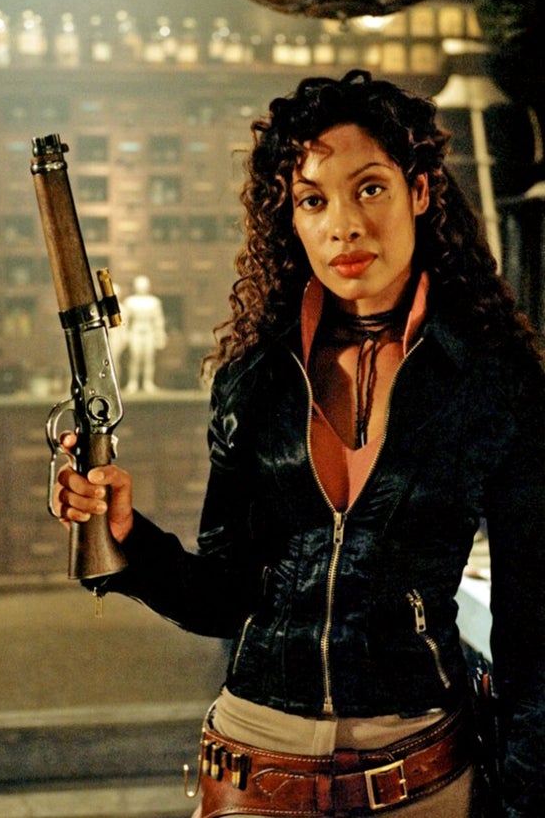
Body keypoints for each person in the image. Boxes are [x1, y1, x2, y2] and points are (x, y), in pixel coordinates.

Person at [54, 70, 545, 817]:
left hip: (423, 777)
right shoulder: (254, 379)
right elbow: (225, 596)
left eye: (369, 188)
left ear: (419, 191)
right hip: (255, 770)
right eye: (314, 200)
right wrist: (129, 535)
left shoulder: (493, 380)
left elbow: (534, 631)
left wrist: (524, 800)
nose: (344, 225)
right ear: (291, 216)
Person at [123, 274, 167, 393]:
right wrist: (125, 335)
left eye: (144, 285)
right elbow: (125, 320)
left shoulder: (154, 302)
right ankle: (133, 382)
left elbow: (158, 320)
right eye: (139, 285)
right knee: (135, 357)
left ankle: (148, 382)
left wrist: (160, 335)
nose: (141, 287)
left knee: (149, 358)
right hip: (135, 331)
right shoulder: (130, 301)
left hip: (149, 331)